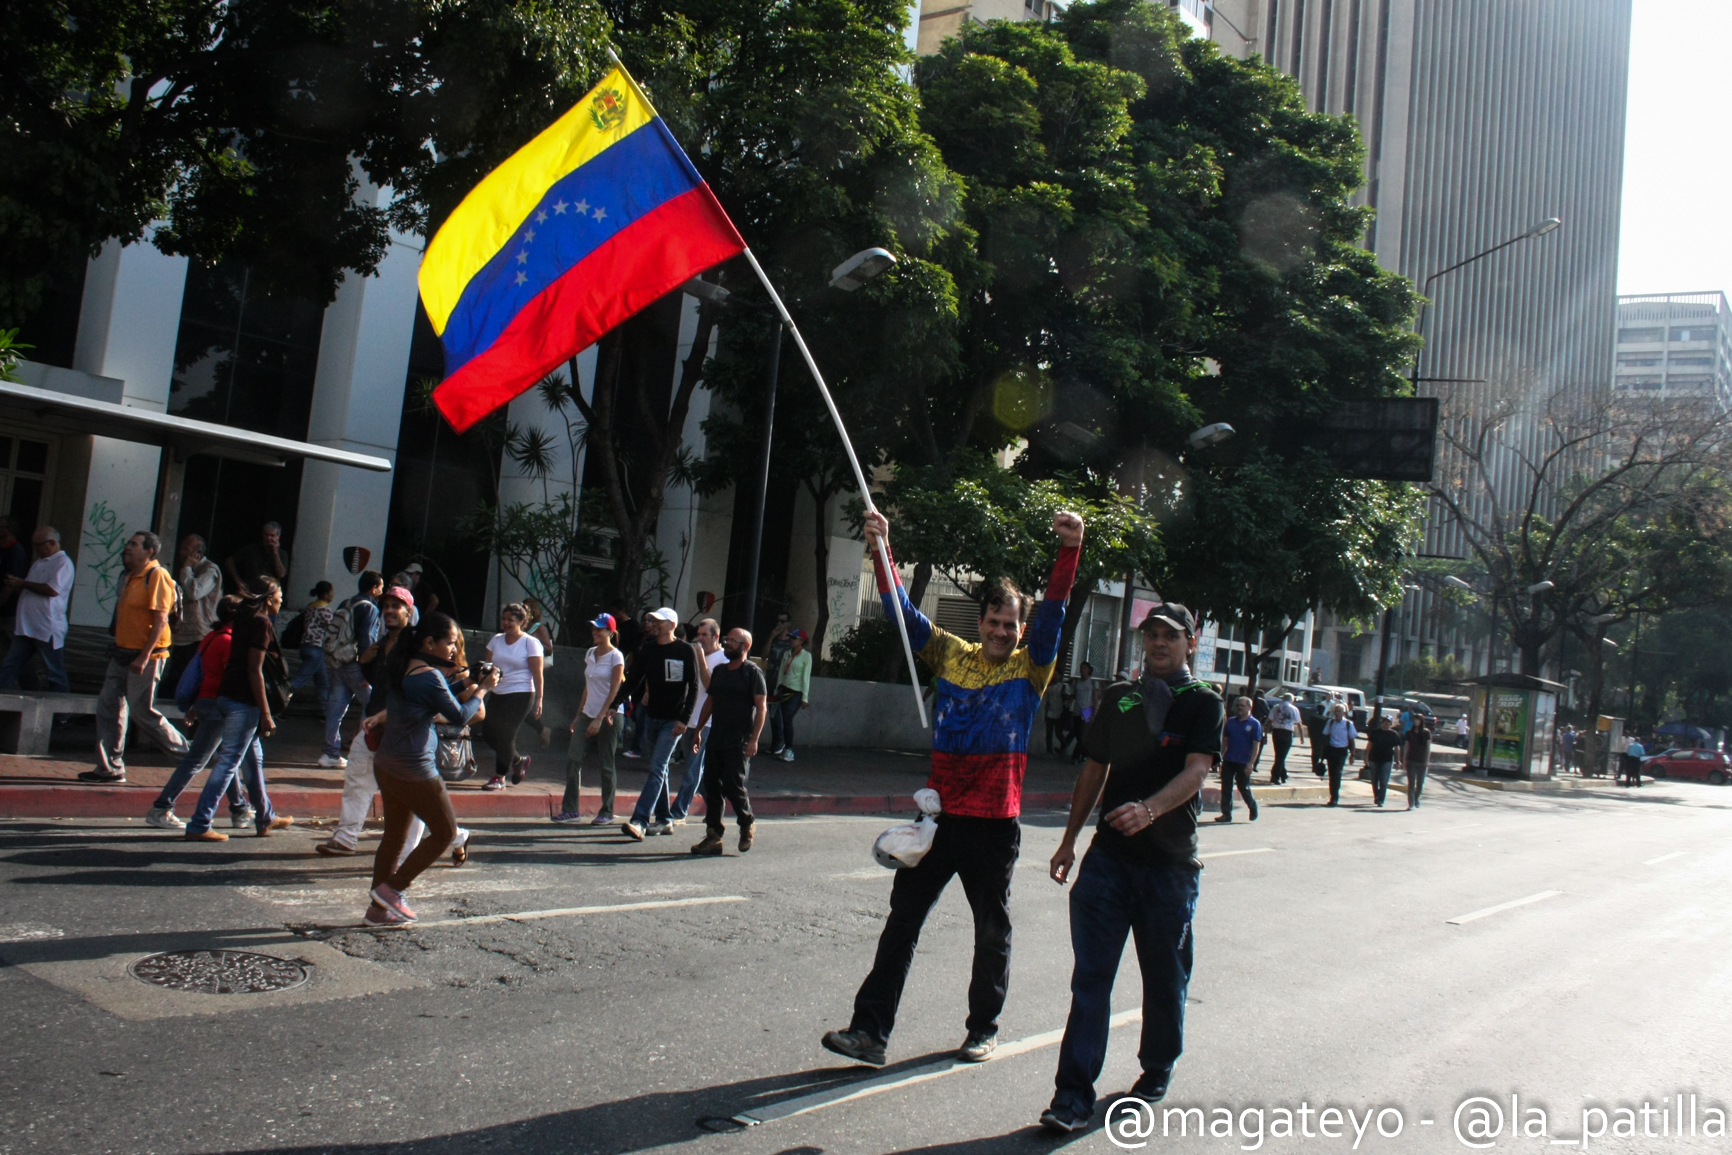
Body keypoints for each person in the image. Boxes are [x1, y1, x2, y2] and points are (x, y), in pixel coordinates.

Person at [821, 507, 1083, 1069]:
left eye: (1010, 624)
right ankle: (869, 1032)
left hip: (994, 825)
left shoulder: (1033, 667)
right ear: (980, 620)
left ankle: (982, 1028)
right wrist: (881, 546)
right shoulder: (948, 652)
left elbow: (1056, 613)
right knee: (902, 924)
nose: (1000, 631)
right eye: (993, 621)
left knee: (991, 931)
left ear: (1020, 627)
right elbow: (900, 610)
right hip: (938, 820)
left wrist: (1070, 551)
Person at [1038, 604, 1224, 1133]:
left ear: (1190, 642)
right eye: (1152, 635)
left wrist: (1150, 810)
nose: (1159, 643)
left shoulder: (1203, 704)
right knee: (1091, 980)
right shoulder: (1120, 699)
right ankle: (1072, 1096)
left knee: (1165, 979)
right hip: (1108, 866)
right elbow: (1094, 770)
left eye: (1170, 635)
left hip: (1169, 869)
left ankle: (1157, 1065)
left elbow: (1196, 772)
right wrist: (1069, 841)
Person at [360, 611, 498, 925]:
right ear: (429, 642)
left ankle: (376, 910)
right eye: (449, 643)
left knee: (393, 838)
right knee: (446, 832)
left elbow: (439, 692)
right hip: (415, 769)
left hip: (387, 763)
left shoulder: (405, 668)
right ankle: (393, 889)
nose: (453, 649)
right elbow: (461, 714)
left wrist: (467, 679)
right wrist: (483, 688)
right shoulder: (430, 677)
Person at [182, 580, 295, 841]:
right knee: (229, 762)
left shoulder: (243, 619)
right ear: (268, 599)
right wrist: (266, 714)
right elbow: (254, 669)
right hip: (244, 701)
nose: (281, 600)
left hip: (226, 695)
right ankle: (200, 823)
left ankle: (265, 816)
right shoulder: (262, 623)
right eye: (279, 595)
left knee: (253, 760)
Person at [80, 531, 190, 783]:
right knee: (108, 706)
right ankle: (109, 767)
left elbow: (161, 620)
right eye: (128, 543)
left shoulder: (157, 575)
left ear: (149, 551)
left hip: (147, 657)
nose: (128, 548)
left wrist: (144, 656)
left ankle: (189, 757)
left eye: (134, 545)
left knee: (142, 712)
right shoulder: (129, 577)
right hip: (121, 653)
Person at [315, 586, 413, 856]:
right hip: (373, 725)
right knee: (357, 781)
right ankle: (345, 838)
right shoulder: (379, 644)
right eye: (387, 606)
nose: (390, 611)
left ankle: (448, 838)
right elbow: (376, 682)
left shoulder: (414, 645)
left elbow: (417, 690)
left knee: (413, 795)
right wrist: (364, 661)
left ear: (409, 611)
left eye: (397, 606)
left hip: (405, 730)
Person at [146, 596, 253, 830]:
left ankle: (240, 810)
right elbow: (228, 678)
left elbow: (201, 673)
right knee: (198, 760)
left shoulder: (210, 637)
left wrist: (194, 704)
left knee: (226, 758)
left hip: (205, 702)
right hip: (218, 705)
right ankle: (162, 807)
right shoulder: (228, 642)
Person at [617, 607, 698, 840]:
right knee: (659, 769)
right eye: (653, 620)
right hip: (651, 716)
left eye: (660, 621)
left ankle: (639, 820)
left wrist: (684, 718)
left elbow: (693, 686)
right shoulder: (649, 649)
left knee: (656, 768)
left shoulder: (685, 650)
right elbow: (634, 678)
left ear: (672, 625)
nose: (654, 624)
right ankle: (664, 819)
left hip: (673, 721)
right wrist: (616, 703)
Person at [688, 627, 767, 855]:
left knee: (734, 785)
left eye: (734, 641)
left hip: (739, 741)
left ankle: (746, 824)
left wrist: (754, 739)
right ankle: (713, 836)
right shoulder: (721, 671)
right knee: (711, 786)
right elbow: (710, 701)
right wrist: (698, 729)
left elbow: (761, 708)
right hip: (716, 738)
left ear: (746, 646)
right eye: (728, 640)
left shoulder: (752, 673)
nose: (729, 643)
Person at [555, 613, 627, 825]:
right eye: (594, 628)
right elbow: (588, 687)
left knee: (606, 763)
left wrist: (599, 718)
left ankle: (607, 811)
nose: (595, 632)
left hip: (610, 716)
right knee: (573, 758)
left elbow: (615, 691)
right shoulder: (590, 653)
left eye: (600, 629)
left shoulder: (616, 657)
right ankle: (570, 810)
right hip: (588, 713)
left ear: (611, 632)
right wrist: (579, 715)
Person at [320, 571, 385, 769]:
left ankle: (330, 753)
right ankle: (361, 751)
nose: (381, 592)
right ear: (374, 588)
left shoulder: (345, 603)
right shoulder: (370, 609)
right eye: (381, 587)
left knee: (336, 709)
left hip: (337, 662)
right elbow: (367, 638)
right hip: (356, 665)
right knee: (373, 704)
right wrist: (368, 669)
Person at [0, 525, 74, 693]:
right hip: (27, 626)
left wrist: (22, 583)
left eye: (39, 545)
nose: (36, 549)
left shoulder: (63, 563)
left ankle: (62, 714)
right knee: (10, 665)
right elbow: (31, 587)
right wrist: (17, 584)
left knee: (54, 671)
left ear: (52, 543)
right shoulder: (39, 563)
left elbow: (52, 590)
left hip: (47, 627)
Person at [481, 603, 545, 790]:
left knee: (506, 734)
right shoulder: (496, 640)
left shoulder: (530, 643)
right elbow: (487, 666)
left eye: (511, 620)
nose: (506, 623)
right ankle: (518, 760)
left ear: (522, 622)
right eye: (504, 619)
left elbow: (537, 674)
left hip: (522, 693)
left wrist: (540, 699)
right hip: (498, 690)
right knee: (487, 732)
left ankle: (499, 777)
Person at [668, 618, 726, 823]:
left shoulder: (723, 659)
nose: (700, 639)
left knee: (692, 768)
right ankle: (715, 807)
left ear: (715, 637)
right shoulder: (693, 653)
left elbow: (711, 686)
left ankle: (678, 810)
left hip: (706, 722)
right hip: (688, 718)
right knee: (698, 768)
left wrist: (700, 658)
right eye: (698, 635)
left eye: (704, 635)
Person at [165, 534, 223, 690]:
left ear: (197, 554)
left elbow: (194, 592)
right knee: (175, 675)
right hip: (182, 632)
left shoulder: (209, 570)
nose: (181, 553)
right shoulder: (184, 568)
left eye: (186, 549)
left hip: (198, 633)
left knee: (189, 676)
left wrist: (187, 569)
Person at [1216, 696, 1262, 823]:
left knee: (1243, 787)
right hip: (1229, 759)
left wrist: (1251, 763)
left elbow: (1255, 744)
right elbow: (1225, 740)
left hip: (1243, 761)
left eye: (1242, 705)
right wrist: (1219, 756)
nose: (1239, 708)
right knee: (1226, 787)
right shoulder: (1231, 722)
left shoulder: (1254, 724)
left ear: (1249, 707)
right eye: (1238, 706)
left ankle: (1252, 806)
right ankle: (1226, 814)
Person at [287, 581, 335, 701]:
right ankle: (278, 699)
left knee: (322, 680)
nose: (332, 595)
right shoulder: (325, 610)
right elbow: (333, 628)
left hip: (305, 646)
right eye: (331, 593)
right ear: (325, 594)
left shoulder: (310, 607)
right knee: (299, 680)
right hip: (316, 648)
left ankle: (326, 712)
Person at [769, 628, 811, 761]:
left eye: (794, 638)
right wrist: (777, 689)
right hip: (784, 689)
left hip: (796, 692)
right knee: (783, 718)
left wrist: (805, 697)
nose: (791, 640)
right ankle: (784, 747)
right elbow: (781, 672)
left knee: (787, 718)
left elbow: (806, 677)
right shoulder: (787, 653)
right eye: (791, 638)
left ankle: (789, 749)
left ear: (801, 641)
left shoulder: (806, 656)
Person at [522, 597, 557, 748]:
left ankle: (542, 729)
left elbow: (549, 649)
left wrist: (533, 641)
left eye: (527, 608)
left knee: (522, 707)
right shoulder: (518, 626)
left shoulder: (538, 628)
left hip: (530, 671)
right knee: (518, 706)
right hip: (517, 668)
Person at [225, 521, 290, 599]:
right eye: (266, 535)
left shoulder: (282, 554)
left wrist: (275, 553)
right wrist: (238, 581)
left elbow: (281, 574)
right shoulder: (251, 549)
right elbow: (229, 561)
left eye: (272, 535)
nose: (269, 538)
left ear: (278, 537)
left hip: (269, 596)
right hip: (250, 593)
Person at [1321, 702, 1357, 806]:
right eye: (1336, 711)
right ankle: (1333, 796)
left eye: (1339, 711)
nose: (1337, 713)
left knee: (1337, 773)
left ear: (1343, 712)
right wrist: (1322, 754)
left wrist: (1353, 754)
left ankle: (1335, 797)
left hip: (1342, 751)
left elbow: (1352, 739)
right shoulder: (1330, 723)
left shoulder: (1348, 724)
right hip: (1332, 750)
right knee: (1332, 774)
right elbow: (1325, 737)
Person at [1365, 714, 1402, 807]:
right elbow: (1369, 745)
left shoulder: (1393, 734)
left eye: (1388, 722)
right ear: (1382, 723)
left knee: (1384, 780)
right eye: (1385, 722)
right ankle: (1376, 796)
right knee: (1374, 780)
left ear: (1391, 724)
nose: (1386, 724)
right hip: (1374, 759)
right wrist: (1366, 758)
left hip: (1387, 760)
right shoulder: (1375, 732)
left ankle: (1381, 799)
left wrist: (1397, 761)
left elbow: (1397, 748)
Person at [1266, 692, 1301, 784]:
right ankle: (1275, 775)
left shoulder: (1275, 707)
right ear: (1291, 700)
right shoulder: (1294, 709)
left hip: (1276, 732)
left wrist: (1265, 734)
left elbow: (1269, 721)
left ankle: (1283, 774)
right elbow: (1299, 723)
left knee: (1279, 755)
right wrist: (1301, 737)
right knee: (1281, 756)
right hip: (1287, 733)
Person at [1405, 713, 1433, 809]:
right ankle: (1411, 804)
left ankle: (1417, 798)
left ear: (1421, 721)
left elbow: (1428, 747)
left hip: (1422, 761)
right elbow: (1407, 746)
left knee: (1420, 784)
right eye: (1414, 720)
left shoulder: (1426, 733)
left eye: (1418, 719)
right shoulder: (1409, 732)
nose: (1416, 721)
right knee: (1411, 783)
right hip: (1411, 760)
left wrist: (1427, 761)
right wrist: (1404, 759)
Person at [1042, 677, 1066, 754]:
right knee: (1049, 733)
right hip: (1050, 712)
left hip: (1060, 712)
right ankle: (1049, 751)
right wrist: (1045, 713)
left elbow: (1066, 698)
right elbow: (1047, 701)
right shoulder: (1049, 688)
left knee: (1058, 733)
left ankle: (1064, 746)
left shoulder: (1063, 686)